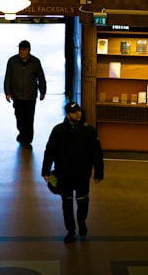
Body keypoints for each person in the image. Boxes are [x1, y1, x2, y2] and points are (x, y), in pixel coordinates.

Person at [41, 101, 103, 243]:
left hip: (82, 175)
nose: (78, 114)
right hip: (64, 175)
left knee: (83, 203)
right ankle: (71, 230)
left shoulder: (89, 132)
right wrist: (45, 170)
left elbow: (97, 153)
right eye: (74, 112)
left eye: (79, 111)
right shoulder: (58, 131)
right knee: (67, 205)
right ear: (68, 115)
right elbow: (49, 151)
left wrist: (99, 172)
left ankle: (81, 221)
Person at [3, 40, 47, 148]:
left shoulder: (35, 62)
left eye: (24, 49)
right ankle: (22, 133)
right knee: (19, 117)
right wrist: (7, 92)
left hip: (30, 96)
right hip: (17, 96)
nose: (21, 52)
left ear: (29, 50)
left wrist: (43, 91)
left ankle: (27, 140)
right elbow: (7, 77)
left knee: (29, 118)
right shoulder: (12, 61)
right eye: (20, 49)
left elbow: (41, 77)